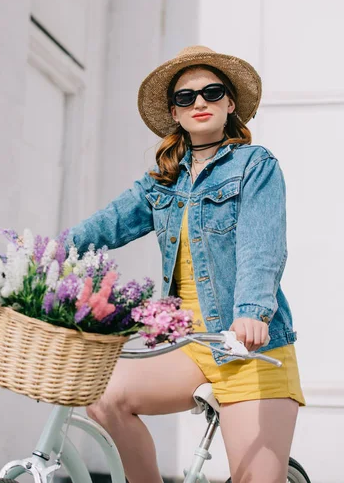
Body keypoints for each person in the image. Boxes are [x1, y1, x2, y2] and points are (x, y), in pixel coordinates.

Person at [65, 45, 305, 483]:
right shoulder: (163, 181)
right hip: (189, 344)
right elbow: (107, 223)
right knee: (102, 396)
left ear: (230, 105)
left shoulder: (255, 164)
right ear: (174, 113)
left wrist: (252, 311)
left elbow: (261, 245)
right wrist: (43, 256)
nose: (199, 102)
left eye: (212, 93)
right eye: (185, 97)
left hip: (249, 347)